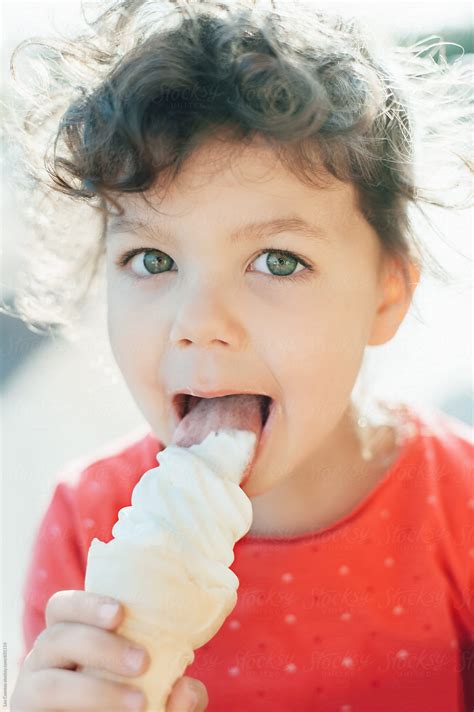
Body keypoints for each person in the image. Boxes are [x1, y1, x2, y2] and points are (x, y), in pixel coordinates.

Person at [7, 1, 473, 710]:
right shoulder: (85, 523)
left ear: (385, 295)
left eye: (278, 261)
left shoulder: (459, 509)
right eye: (151, 257)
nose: (199, 324)